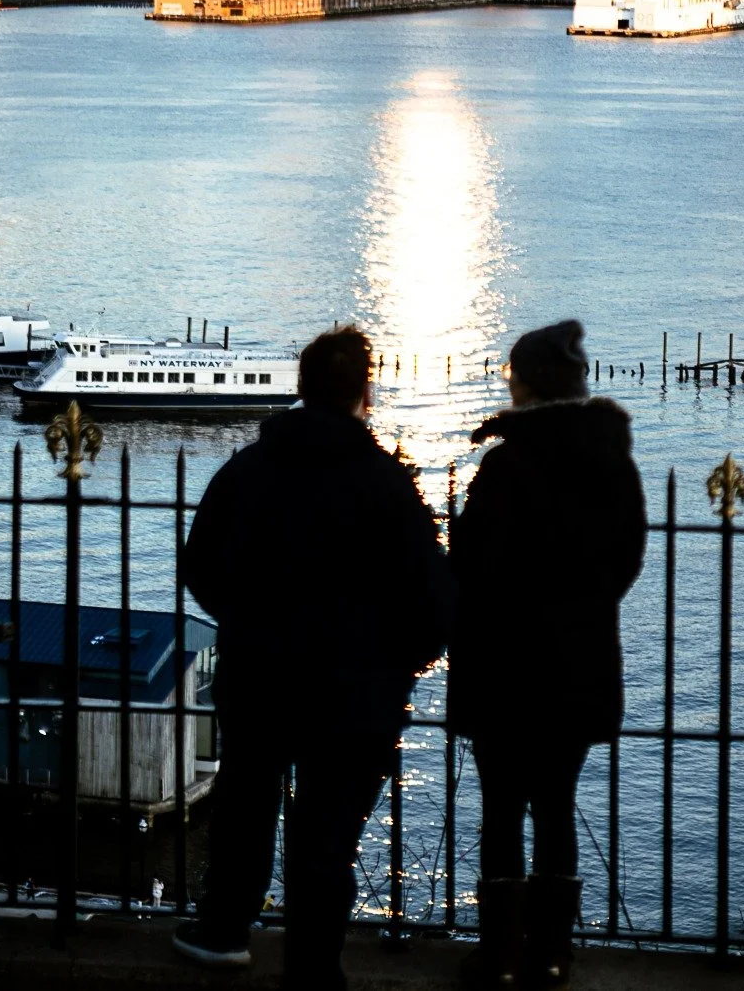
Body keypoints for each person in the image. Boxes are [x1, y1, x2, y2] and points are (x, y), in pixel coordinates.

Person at [174, 326, 453, 991]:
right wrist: (398, 666)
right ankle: (314, 964)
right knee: (328, 833)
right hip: (357, 688)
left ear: (300, 388)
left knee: (245, 802)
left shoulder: (247, 470)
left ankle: (223, 930)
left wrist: (242, 620)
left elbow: (201, 565)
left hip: (261, 670)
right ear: (365, 390)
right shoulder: (390, 486)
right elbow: (435, 600)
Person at [450, 321, 647, 990]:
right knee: (557, 804)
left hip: (504, 665)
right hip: (578, 662)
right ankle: (554, 954)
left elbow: (473, 570)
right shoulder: (611, 463)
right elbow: (626, 562)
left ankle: (501, 956)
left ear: (527, 382)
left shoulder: (506, 464)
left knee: (501, 807)